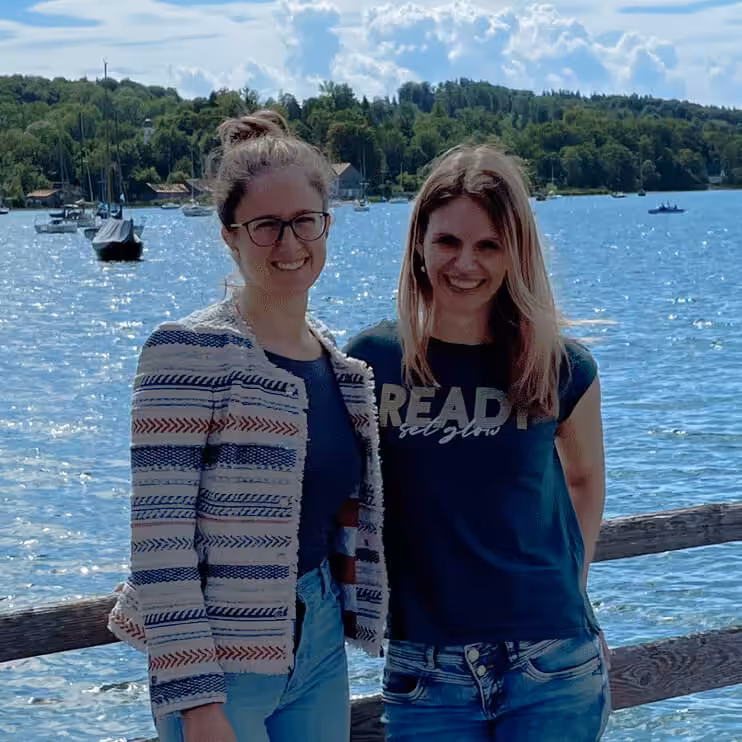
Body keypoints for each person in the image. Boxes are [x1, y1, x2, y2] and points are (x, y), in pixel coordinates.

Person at [108, 109, 388, 742]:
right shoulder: (187, 351)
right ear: (230, 236)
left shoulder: (336, 363)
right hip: (219, 661)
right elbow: (160, 542)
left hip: (319, 639)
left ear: (327, 224)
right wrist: (197, 702)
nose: (289, 244)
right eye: (265, 226)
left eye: (304, 221)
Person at [345, 143, 611, 741]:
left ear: (516, 251)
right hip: (424, 668)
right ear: (419, 243)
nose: (466, 263)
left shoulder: (561, 367)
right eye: (448, 241)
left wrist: (574, 587)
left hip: (551, 662)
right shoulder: (370, 363)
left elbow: (585, 478)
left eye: (489, 245)